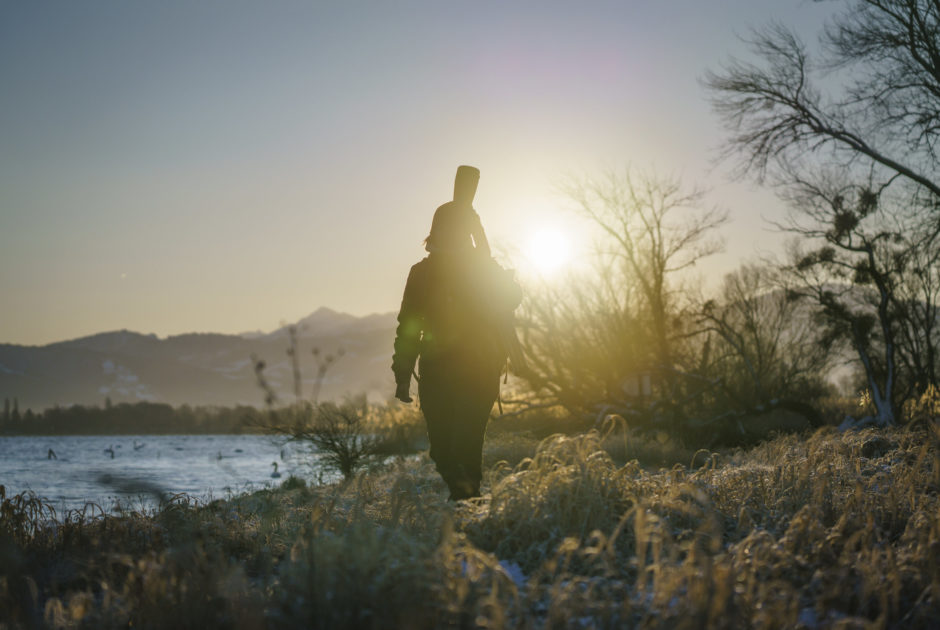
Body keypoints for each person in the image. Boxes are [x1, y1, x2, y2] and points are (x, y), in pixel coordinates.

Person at [392, 166, 522, 500]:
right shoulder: (421, 274)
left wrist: (484, 248)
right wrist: (402, 374)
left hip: (480, 365)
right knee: (441, 450)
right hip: (436, 370)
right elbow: (408, 326)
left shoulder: (480, 266)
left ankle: (468, 505)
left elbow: (511, 299)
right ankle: (466, 498)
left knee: (465, 441)